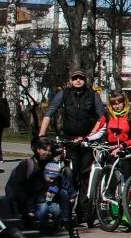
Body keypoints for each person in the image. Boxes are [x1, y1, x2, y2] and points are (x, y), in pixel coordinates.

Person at [38, 68, 107, 216]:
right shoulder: (63, 94)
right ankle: (68, 207)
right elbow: (50, 112)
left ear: (85, 80)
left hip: (87, 141)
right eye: (75, 78)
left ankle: (84, 209)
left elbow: (102, 117)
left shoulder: (93, 95)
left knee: (85, 175)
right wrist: (41, 136)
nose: (78, 80)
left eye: (80, 78)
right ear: (70, 80)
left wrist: (90, 136)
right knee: (71, 174)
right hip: (70, 140)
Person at [4, 138, 55, 221]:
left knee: (55, 210)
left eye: (50, 151)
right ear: (38, 149)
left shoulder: (50, 165)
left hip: (41, 200)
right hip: (27, 204)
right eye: (44, 150)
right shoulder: (26, 165)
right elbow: (18, 189)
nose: (47, 153)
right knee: (44, 210)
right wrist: (25, 210)